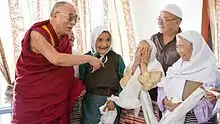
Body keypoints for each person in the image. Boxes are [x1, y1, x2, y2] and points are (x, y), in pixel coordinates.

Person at [12, 2, 102, 124]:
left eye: (76, 18)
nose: (73, 22)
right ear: (55, 15)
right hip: (32, 100)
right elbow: (56, 59)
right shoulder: (37, 34)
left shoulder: (64, 39)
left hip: (56, 101)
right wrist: (89, 58)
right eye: (70, 17)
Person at [157, 30, 219, 123]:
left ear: (195, 47)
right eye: (177, 47)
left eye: (181, 47)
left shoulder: (209, 70)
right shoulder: (176, 67)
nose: (179, 51)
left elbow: (213, 99)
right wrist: (165, 101)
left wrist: (185, 107)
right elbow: (163, 86)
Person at [79, 26, 125, 124]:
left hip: (111, 103)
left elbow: (124, 84)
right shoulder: (85, 59)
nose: (104, 44)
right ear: (93, 40)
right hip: (91, 105)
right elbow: (80, 83)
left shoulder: (117, 59)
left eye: (108, 40)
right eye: (99, 40)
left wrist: (115, 102)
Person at [118, 40, 164, 123]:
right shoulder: (131, 65)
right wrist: (135, 63)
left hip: (149, 106)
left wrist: (143, 63)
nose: (142, 52)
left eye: (146, 50)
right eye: (139, 48)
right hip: (129, 108)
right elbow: (124, 84)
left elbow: (147, 85)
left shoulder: (156, 67)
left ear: (152, 52)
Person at [151, 4, 182, 74]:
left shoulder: (185, 41)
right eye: (159, 18)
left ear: (177, 22)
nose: (160, 22)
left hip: (175, 82)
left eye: (164, 19)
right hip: (155, 83)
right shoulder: (154, 39)